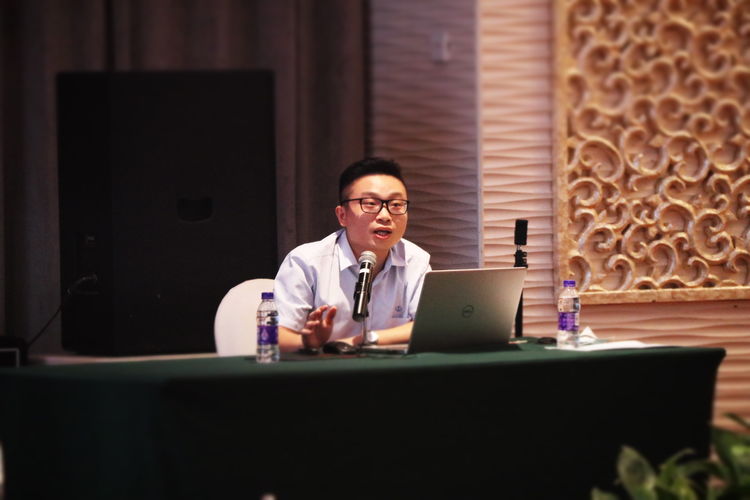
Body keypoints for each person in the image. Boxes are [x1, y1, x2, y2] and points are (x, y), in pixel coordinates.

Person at [274, 157, 431, 352]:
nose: (385, 216)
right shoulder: (305, 262)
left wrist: (361, 340)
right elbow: (276, 336)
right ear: (342, 215)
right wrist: (308, 342)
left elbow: (430, 325)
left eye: (397, 204)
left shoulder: (416, 261)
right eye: (370, 203)